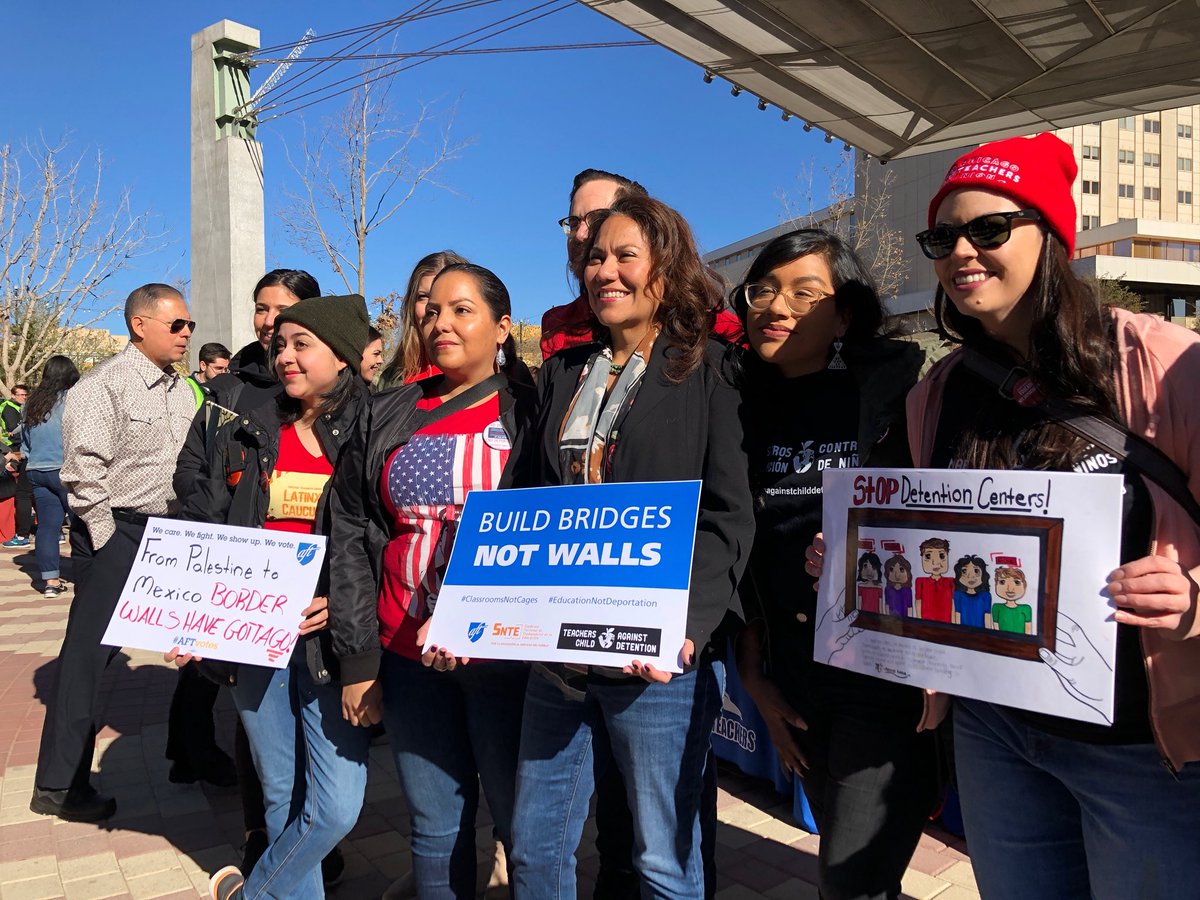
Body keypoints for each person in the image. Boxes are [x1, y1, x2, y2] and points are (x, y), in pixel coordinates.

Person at [812, 132, 1200, 898]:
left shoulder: (1163, 364)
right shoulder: (938, 391)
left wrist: (1194, 597)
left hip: (1139, 746)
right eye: (942, 236)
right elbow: (927, 536)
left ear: (1052, 238)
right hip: (993, 733)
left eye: (989, 229)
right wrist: (855, 557)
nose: (962, 251)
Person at [511, 194, 754, 899]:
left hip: (655, 658)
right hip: (558, 653)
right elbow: (529, 500)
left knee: (662, 860)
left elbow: (730, 515)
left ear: (665, 269)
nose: (605, 271)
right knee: (535, 846)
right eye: (594, 258)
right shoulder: (563, 373)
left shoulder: (709, 368)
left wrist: (685, 625)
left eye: (625, 256)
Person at [731, 229, 937, 900]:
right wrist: (755, 674)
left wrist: (943, 662)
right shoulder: (734, 405)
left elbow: (941, 523)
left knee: (850, 877)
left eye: (803, 292)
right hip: (792, 668)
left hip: (883, 669)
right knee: (853, 865)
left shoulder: (899, 396)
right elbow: (739, 551)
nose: (775, 305)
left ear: (844, 312)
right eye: (762, 290)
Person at [329, 263, 538, 899]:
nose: (440, 323)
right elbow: (351, 531)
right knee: (433, 823)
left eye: (462, 310)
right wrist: (358, 659)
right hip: (404, 651)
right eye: (431, 311)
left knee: (525, 825)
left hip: (505, 658)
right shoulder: (388, 411)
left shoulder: (535, 408)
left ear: (502, 327)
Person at [182, 294, 374, 900]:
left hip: (330, 640)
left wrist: (342, 606)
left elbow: (379, 534)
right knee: (279, 796)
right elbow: (207, 517)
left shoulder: (374, 428)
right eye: (281, 343)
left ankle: (252, 892)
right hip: (251, 633)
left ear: (341, 356)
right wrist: (190, 614)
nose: (285, 356)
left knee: (336, 807)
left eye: (302, 344)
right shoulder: (249, 421)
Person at [30, 283, 196, 822]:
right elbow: (82, 472)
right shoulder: (102, 386)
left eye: (189, 325)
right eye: (176, 325)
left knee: (200, 647)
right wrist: (107, 542)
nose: (186, 333)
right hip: (120, 534)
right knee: (86, 662)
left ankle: (196, 754)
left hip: (171, 533)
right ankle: (59, 786)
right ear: (139, 325)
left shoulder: (181, 387)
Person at [541, 169, 743, 362]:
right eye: (574, 222)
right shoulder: (558, 325)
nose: (580, 234)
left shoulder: (721, 334)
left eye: (596, 219)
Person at [20, 357, 80, 597]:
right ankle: (86, 575)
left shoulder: (31, 403)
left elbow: (25, 441)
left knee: (47, 526)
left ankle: (51, 583)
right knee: (81, 525)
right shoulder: (71, 400)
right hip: (65, 470)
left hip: (36, 469)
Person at [377, 250, 468, 388]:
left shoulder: (491, 375)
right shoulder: (392, 378)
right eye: (423, 297)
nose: (432, 307)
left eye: (447, 297)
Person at [2, 383, 33, 548]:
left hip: (23, 452)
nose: (24, 397)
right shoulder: (8, 408)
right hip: (11, 450)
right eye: (20, 395)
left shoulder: (26, 408)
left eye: (25, 395)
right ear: (13, 395)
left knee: (25, 493)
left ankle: (23, 535)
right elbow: (12, 430)